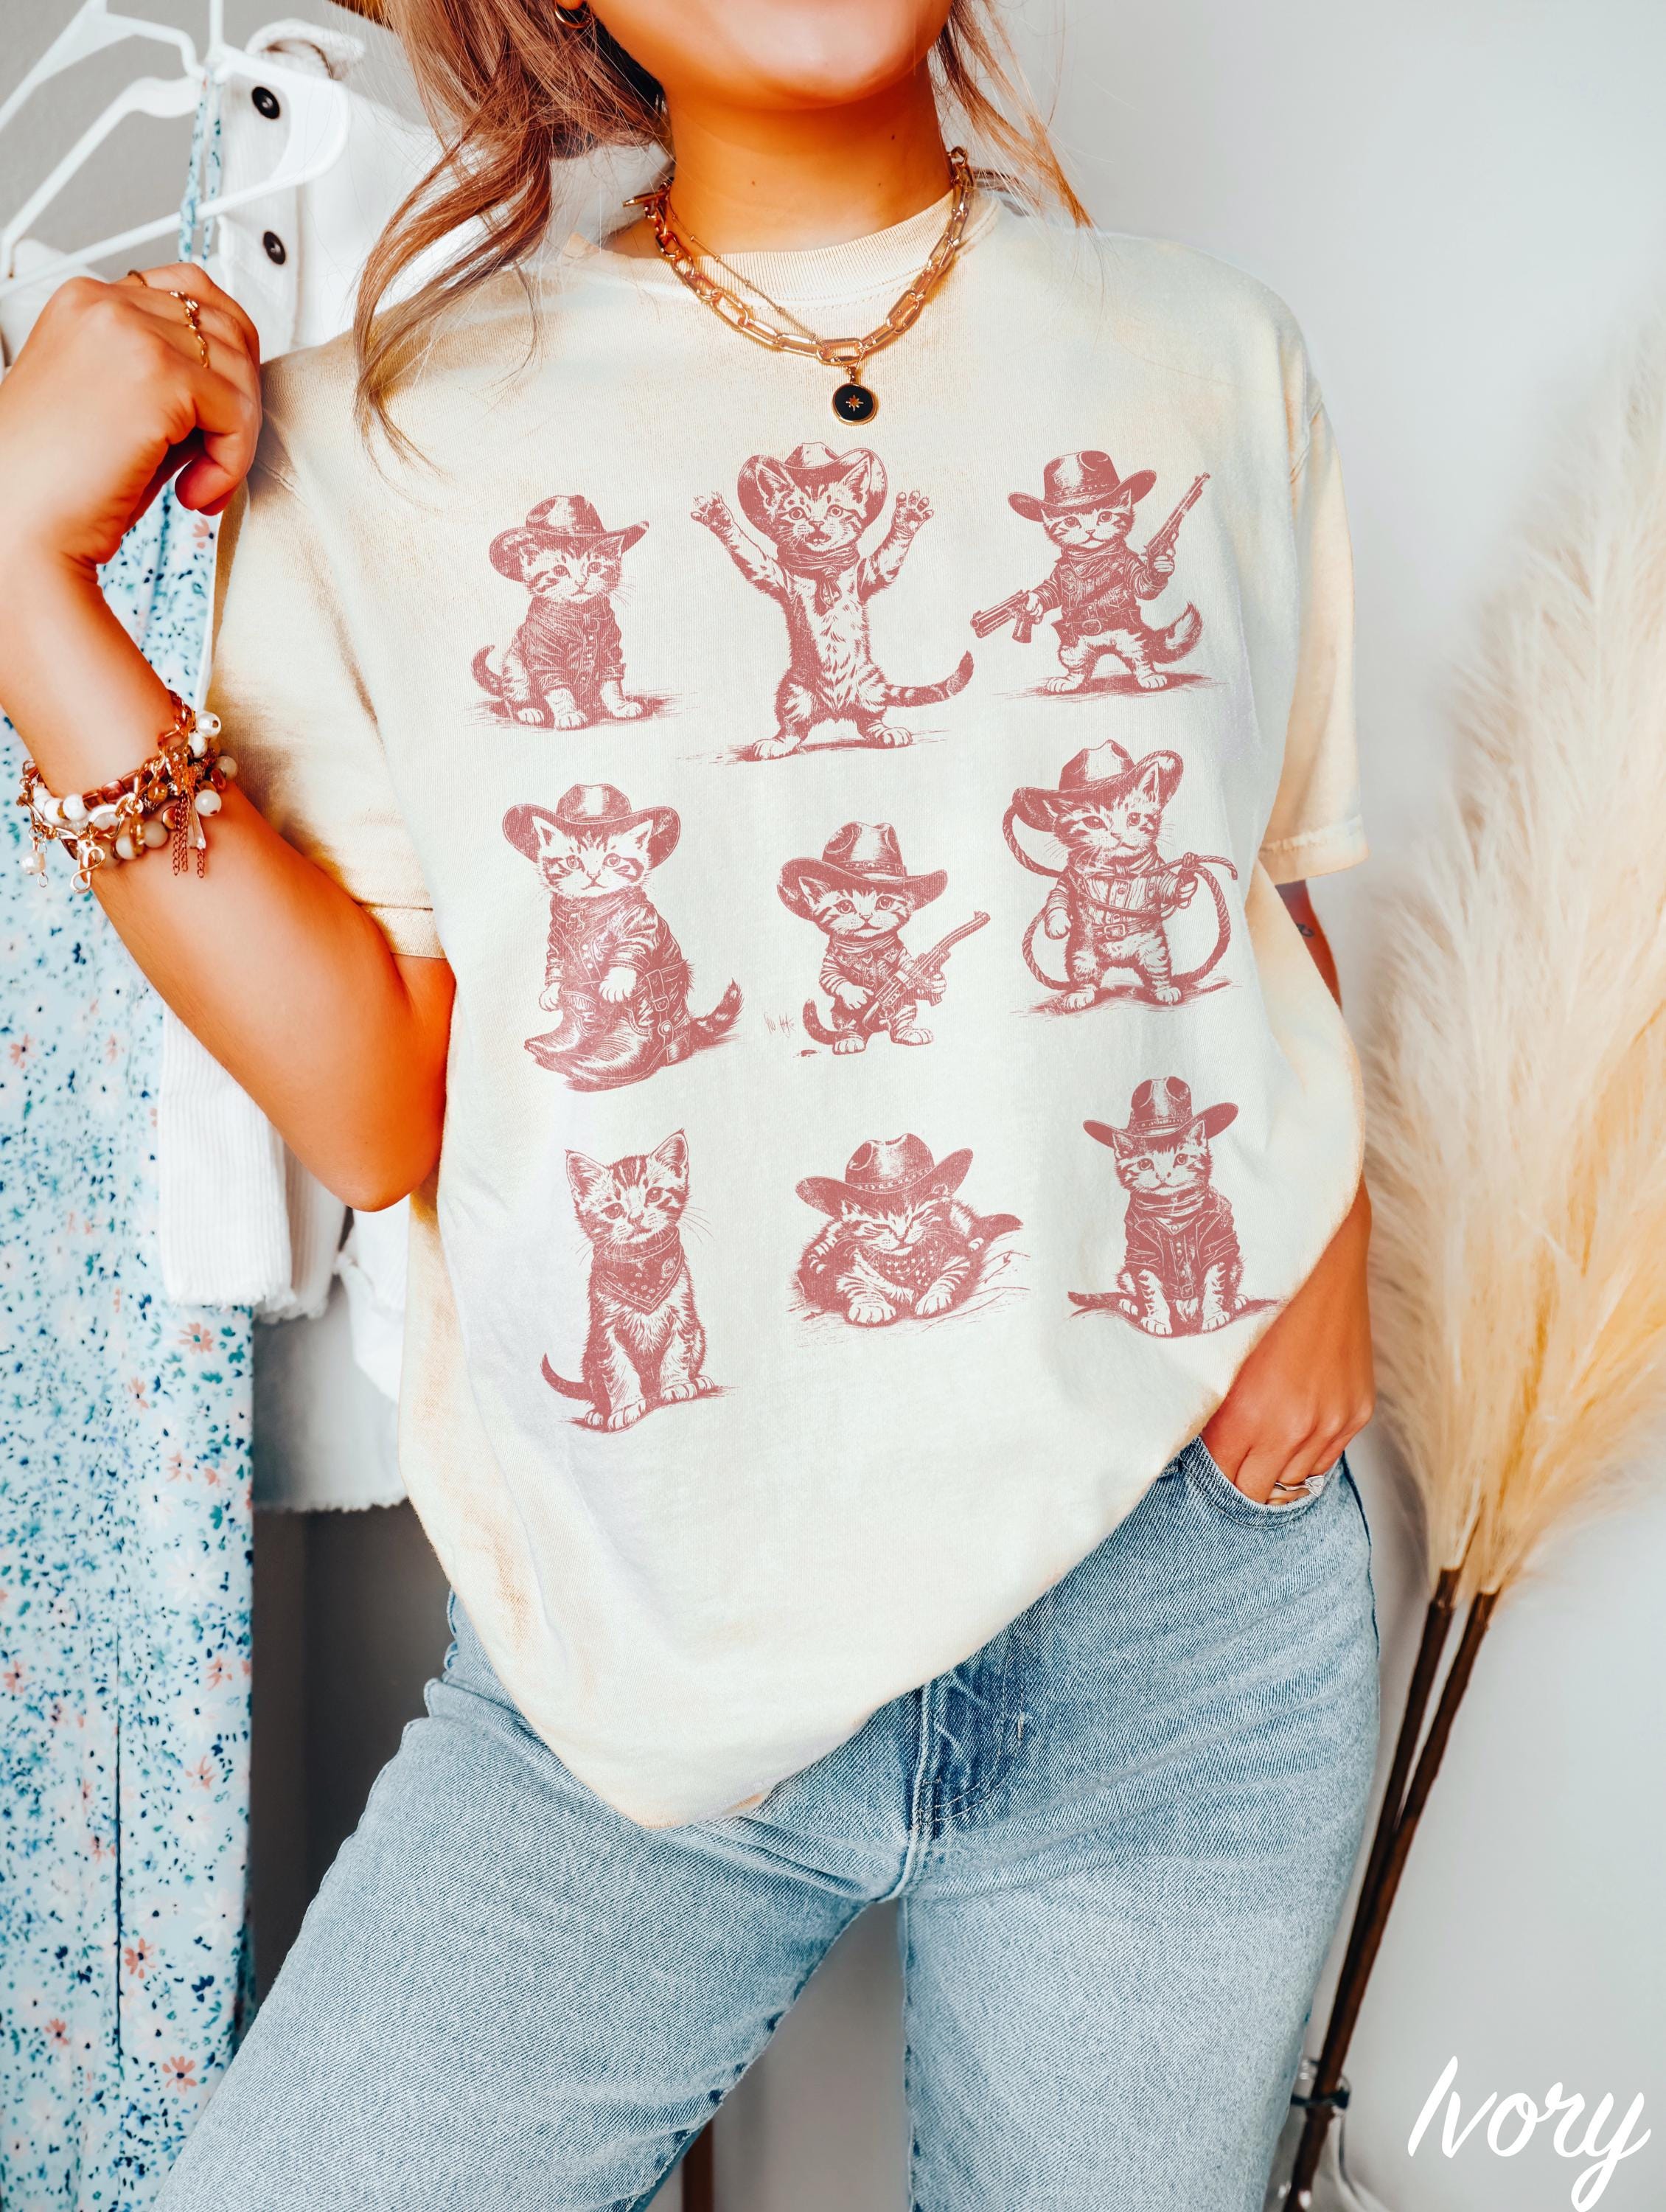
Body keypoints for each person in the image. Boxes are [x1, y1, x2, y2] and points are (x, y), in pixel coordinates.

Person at [0, 1, 1379, 2203]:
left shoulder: (1207, 352)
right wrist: (25, 589)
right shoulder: (394, 439)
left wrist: (1331, 1263)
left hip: (1179, 1634)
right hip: (642, 1643)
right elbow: (378, 1115)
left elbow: (1254, 881)